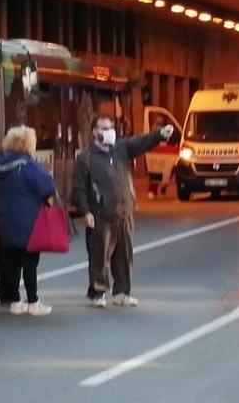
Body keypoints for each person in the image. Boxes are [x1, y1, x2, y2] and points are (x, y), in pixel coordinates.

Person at [71, 115, 174, 308]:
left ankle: (122, 292)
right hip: (101, 213)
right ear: (94, 132)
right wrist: (85, 212)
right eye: (103, 128)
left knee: (124, 254)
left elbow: (141, 142)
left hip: (124, 211)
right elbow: (79, 188)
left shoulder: (122, 149)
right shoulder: (86, 158)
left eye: (110, 127)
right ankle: (98, 293)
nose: (109, 131)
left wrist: (159, 135)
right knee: (99, 255)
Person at [0, 125, 58, 317]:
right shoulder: (28, 166)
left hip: (4, 219)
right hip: (28, 221)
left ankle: (13, 300)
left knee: (10, 260)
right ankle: (33, 301)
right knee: (30, 262)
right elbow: (47, 186)